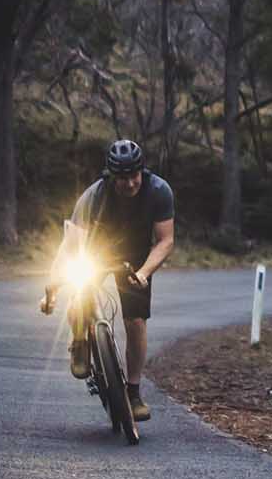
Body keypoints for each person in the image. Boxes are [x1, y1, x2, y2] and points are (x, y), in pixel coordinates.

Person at [45, 138, 175, 422]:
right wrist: (52, 286)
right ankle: (80, 341)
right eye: (122, 178)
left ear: (142, 170)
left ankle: (133, 391)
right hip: (97, 250)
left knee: (136, 321)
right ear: (111, 176)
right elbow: (70, 245)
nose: (129, 184)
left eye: (134, 176)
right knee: (80, 290)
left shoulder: (158, 191)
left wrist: (143, 274)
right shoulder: (93, 197)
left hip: (137, 257)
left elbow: (165, 241)